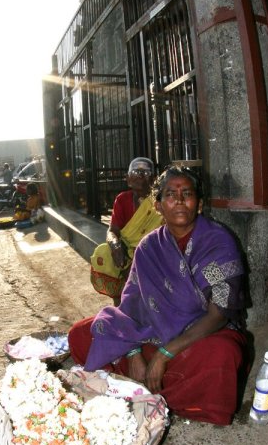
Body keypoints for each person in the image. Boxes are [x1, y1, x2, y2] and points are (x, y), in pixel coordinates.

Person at [69, 165, 248, 426]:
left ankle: (143, 392)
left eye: (186, 193)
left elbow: (219, 312)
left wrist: (164, 354)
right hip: (150, 334)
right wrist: (133, 354)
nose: (178, 200)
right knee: (80, 333)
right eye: (170, 194)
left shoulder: (217, 241)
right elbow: (130, 306)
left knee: (223, 354)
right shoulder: (149, 246)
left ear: (198, 204)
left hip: (197, 337)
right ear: (158, 205)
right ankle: (149, 388)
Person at [90, 157, 162, 305]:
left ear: (154, 179)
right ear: (128, 178)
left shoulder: (159, 201)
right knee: (104, 252)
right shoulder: (122, 199)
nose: (140, 175)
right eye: (135, 171)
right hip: (126, 250)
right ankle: (120, 306)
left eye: (146, 172)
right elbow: (112, 231)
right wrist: (115, 246)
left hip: (152, 250)